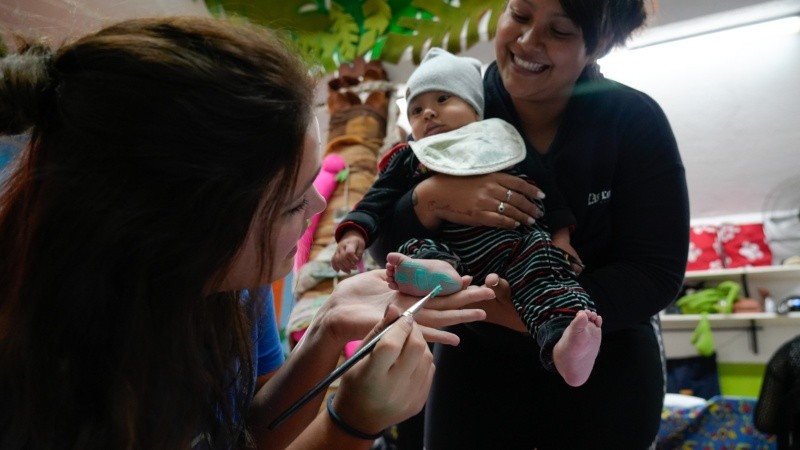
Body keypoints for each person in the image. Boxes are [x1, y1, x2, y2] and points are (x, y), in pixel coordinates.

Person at [0, 16, 497, 449]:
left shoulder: (235, 285)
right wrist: (352, 423)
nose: (321, 205)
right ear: (185, 229)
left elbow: (248, 431)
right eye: (291, 204)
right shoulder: (41, 394)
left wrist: (327, 330)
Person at [369, 1, 691, 449]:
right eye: (519, 15)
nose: (527, 42)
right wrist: (431, 199)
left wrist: (540, 315)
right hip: (476, 356)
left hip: (602, 356)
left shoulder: (631, 119)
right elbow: (383, 241)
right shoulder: (454, 105)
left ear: (598, 44)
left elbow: (656, 273)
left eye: (559, 31)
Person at [332, 47, 601, 387]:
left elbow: (549, 190)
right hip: (454, 256)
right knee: (417, 246)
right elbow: (376, 201)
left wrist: (561, 238)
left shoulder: (501, 139)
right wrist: (353, 234)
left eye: (443, 99)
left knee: (549, 276)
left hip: (519, 246)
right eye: (416, 109)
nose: (428, 112)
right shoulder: (411, 157)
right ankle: (433, 275)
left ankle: (566, 346)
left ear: (475, 109)